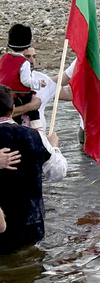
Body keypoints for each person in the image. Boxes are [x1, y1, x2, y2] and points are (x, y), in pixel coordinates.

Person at [0, 85, 67, 254]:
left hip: (3, 224)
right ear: (13, 109)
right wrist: (54, 148)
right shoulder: (35, 136)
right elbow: (58, 173)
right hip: (32, 224)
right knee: (30, 262)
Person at [0, 23, 42, 129]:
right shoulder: (23, 62)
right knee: (34, 111)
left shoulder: (4, 57)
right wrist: (38, 83)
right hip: (20, 95)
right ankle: (38, 130)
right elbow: (25, 80)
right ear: (27, 46)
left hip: (5, 94)